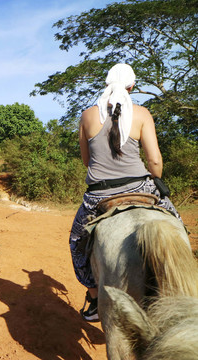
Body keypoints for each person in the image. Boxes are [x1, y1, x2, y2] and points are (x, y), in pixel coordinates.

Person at [69, 63, 182, 322]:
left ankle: (95, 297)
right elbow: (154, 161)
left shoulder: (87, 116)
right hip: (142, 186)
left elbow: (87, 162)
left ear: (107, 84)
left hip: (99, 194)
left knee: (76, 242)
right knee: (177, 226)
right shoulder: (142, 114)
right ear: (131, 87)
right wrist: (157, 183)